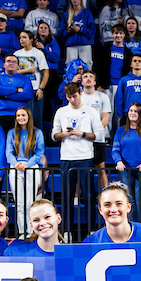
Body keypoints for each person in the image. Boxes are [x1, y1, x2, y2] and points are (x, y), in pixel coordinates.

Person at [53, 83, 98, 219]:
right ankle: (67, 231)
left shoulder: (91, 111)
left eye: (75, 96)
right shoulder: (61, 111)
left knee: (88, 195)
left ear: (80, 94)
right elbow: (54, 136)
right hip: (67, 157)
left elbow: (98, 135)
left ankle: (90, 229)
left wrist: (82, 134)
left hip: (85, 157)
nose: (72, 99)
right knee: (67, 196)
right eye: (69, 97)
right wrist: (64, 134)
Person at [112, 103, 141, 224]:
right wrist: (118, 161)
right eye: (131, 111)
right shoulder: (120, 131)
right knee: (128, 202)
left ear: (140, 114)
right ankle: (130, 228)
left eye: (135, 111)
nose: (133, 113)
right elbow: (115, 150)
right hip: (126, 170)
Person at [5, 105, 44, 231]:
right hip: (15, 168)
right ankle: (22, 232)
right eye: (18, 116)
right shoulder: (12, 133)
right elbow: (9, 152)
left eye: (23, 115)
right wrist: (15, 163)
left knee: (30, 202)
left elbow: (39, 153)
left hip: (31, 167)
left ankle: (31, 231)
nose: (20, 118)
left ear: (29, 116)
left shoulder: (37, 132)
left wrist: (27, 164)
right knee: (19, 203)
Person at [14, 31, 48, 130]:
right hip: (21, 89)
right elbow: (12, 72)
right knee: (22, 118)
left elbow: (45, 72)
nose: (21, 40)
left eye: (24, 37)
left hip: (35, 88)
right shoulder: (16, 54)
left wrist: (41, 88)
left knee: (36, 118)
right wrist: (27, 70)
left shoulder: (38, 53)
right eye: (20, 38)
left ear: (31, 40)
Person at [61, 0, 95, 67]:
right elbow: (61, 33)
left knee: (86, 66)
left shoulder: (87, 13)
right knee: (71, 67)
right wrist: (68, 31)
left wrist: (80, 30)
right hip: (71, 44)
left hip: (85, 44)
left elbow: (92, 31)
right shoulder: (66, 14)